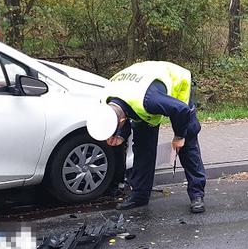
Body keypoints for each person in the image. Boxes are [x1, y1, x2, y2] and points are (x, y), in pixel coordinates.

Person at [86, 61, 206, 213]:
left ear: (121, 121)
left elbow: (181, 110)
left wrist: (179, 136)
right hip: (142, 87)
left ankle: (197, 195)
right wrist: (121, 135)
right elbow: (121, 109)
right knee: (142, 148)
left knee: (187, 144)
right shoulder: (105, 100)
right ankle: (140, 196)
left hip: (176, 84)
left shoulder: (149, 101)